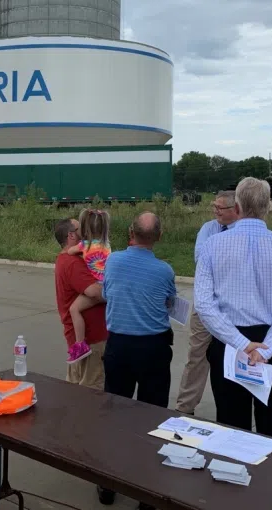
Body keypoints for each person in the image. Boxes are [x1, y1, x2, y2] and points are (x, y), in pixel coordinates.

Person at [195, 177, 272, 443]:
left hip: (231, 344)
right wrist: (265, 348)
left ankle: (234, 481)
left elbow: (204, 304)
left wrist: (242, 344)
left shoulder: (212, 246)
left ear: (236, 207)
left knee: (232, 430)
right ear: (268, 207)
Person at [99, 212, 176, 509]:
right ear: (158, 237)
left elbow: (107, 292)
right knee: (153, 417)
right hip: (153, 348)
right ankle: (147, 491)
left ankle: (107, 481)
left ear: (131, 232)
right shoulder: (164, 271)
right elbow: (170, 303)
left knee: (115, 415)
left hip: (119, 346)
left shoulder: (113, 261)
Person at [176, 191, 239, 415]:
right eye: (214, 206)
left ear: (236, 210)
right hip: (205, 304)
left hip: (232, 308)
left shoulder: (244, 231)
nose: (215, 211)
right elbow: (201, 259)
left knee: (233, 357)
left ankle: (232, 410)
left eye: (220, 208)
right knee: (197, 355)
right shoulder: (208, 228)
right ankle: (185, 407)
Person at [54, 218, 108, 389]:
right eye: (80, 228)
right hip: (91, 340)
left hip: (82, 341)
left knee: (76, 391)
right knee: (92, 390)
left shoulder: (70, 258)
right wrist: (118, 291)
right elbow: (94, 292)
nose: (84, 230)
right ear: (71, 235)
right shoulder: (72, 263)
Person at [65, 208, 111, 363]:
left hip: (96, 288)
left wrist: (77, 249)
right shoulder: (107, 245)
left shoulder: (84, 245)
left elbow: (70, 252)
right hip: (107, 286)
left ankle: (80, 345)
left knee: (74, 309)